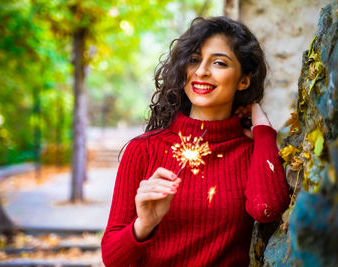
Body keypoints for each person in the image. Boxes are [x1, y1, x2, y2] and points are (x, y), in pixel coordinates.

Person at [101, 16, 290, 266]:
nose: (201, 71)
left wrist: (264, 130)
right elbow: (112, 258)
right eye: (194, 60)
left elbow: (267, 208)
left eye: (219, 63)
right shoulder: (143, 149)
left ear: (244, 79)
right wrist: (144, 224)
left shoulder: (250, 153)